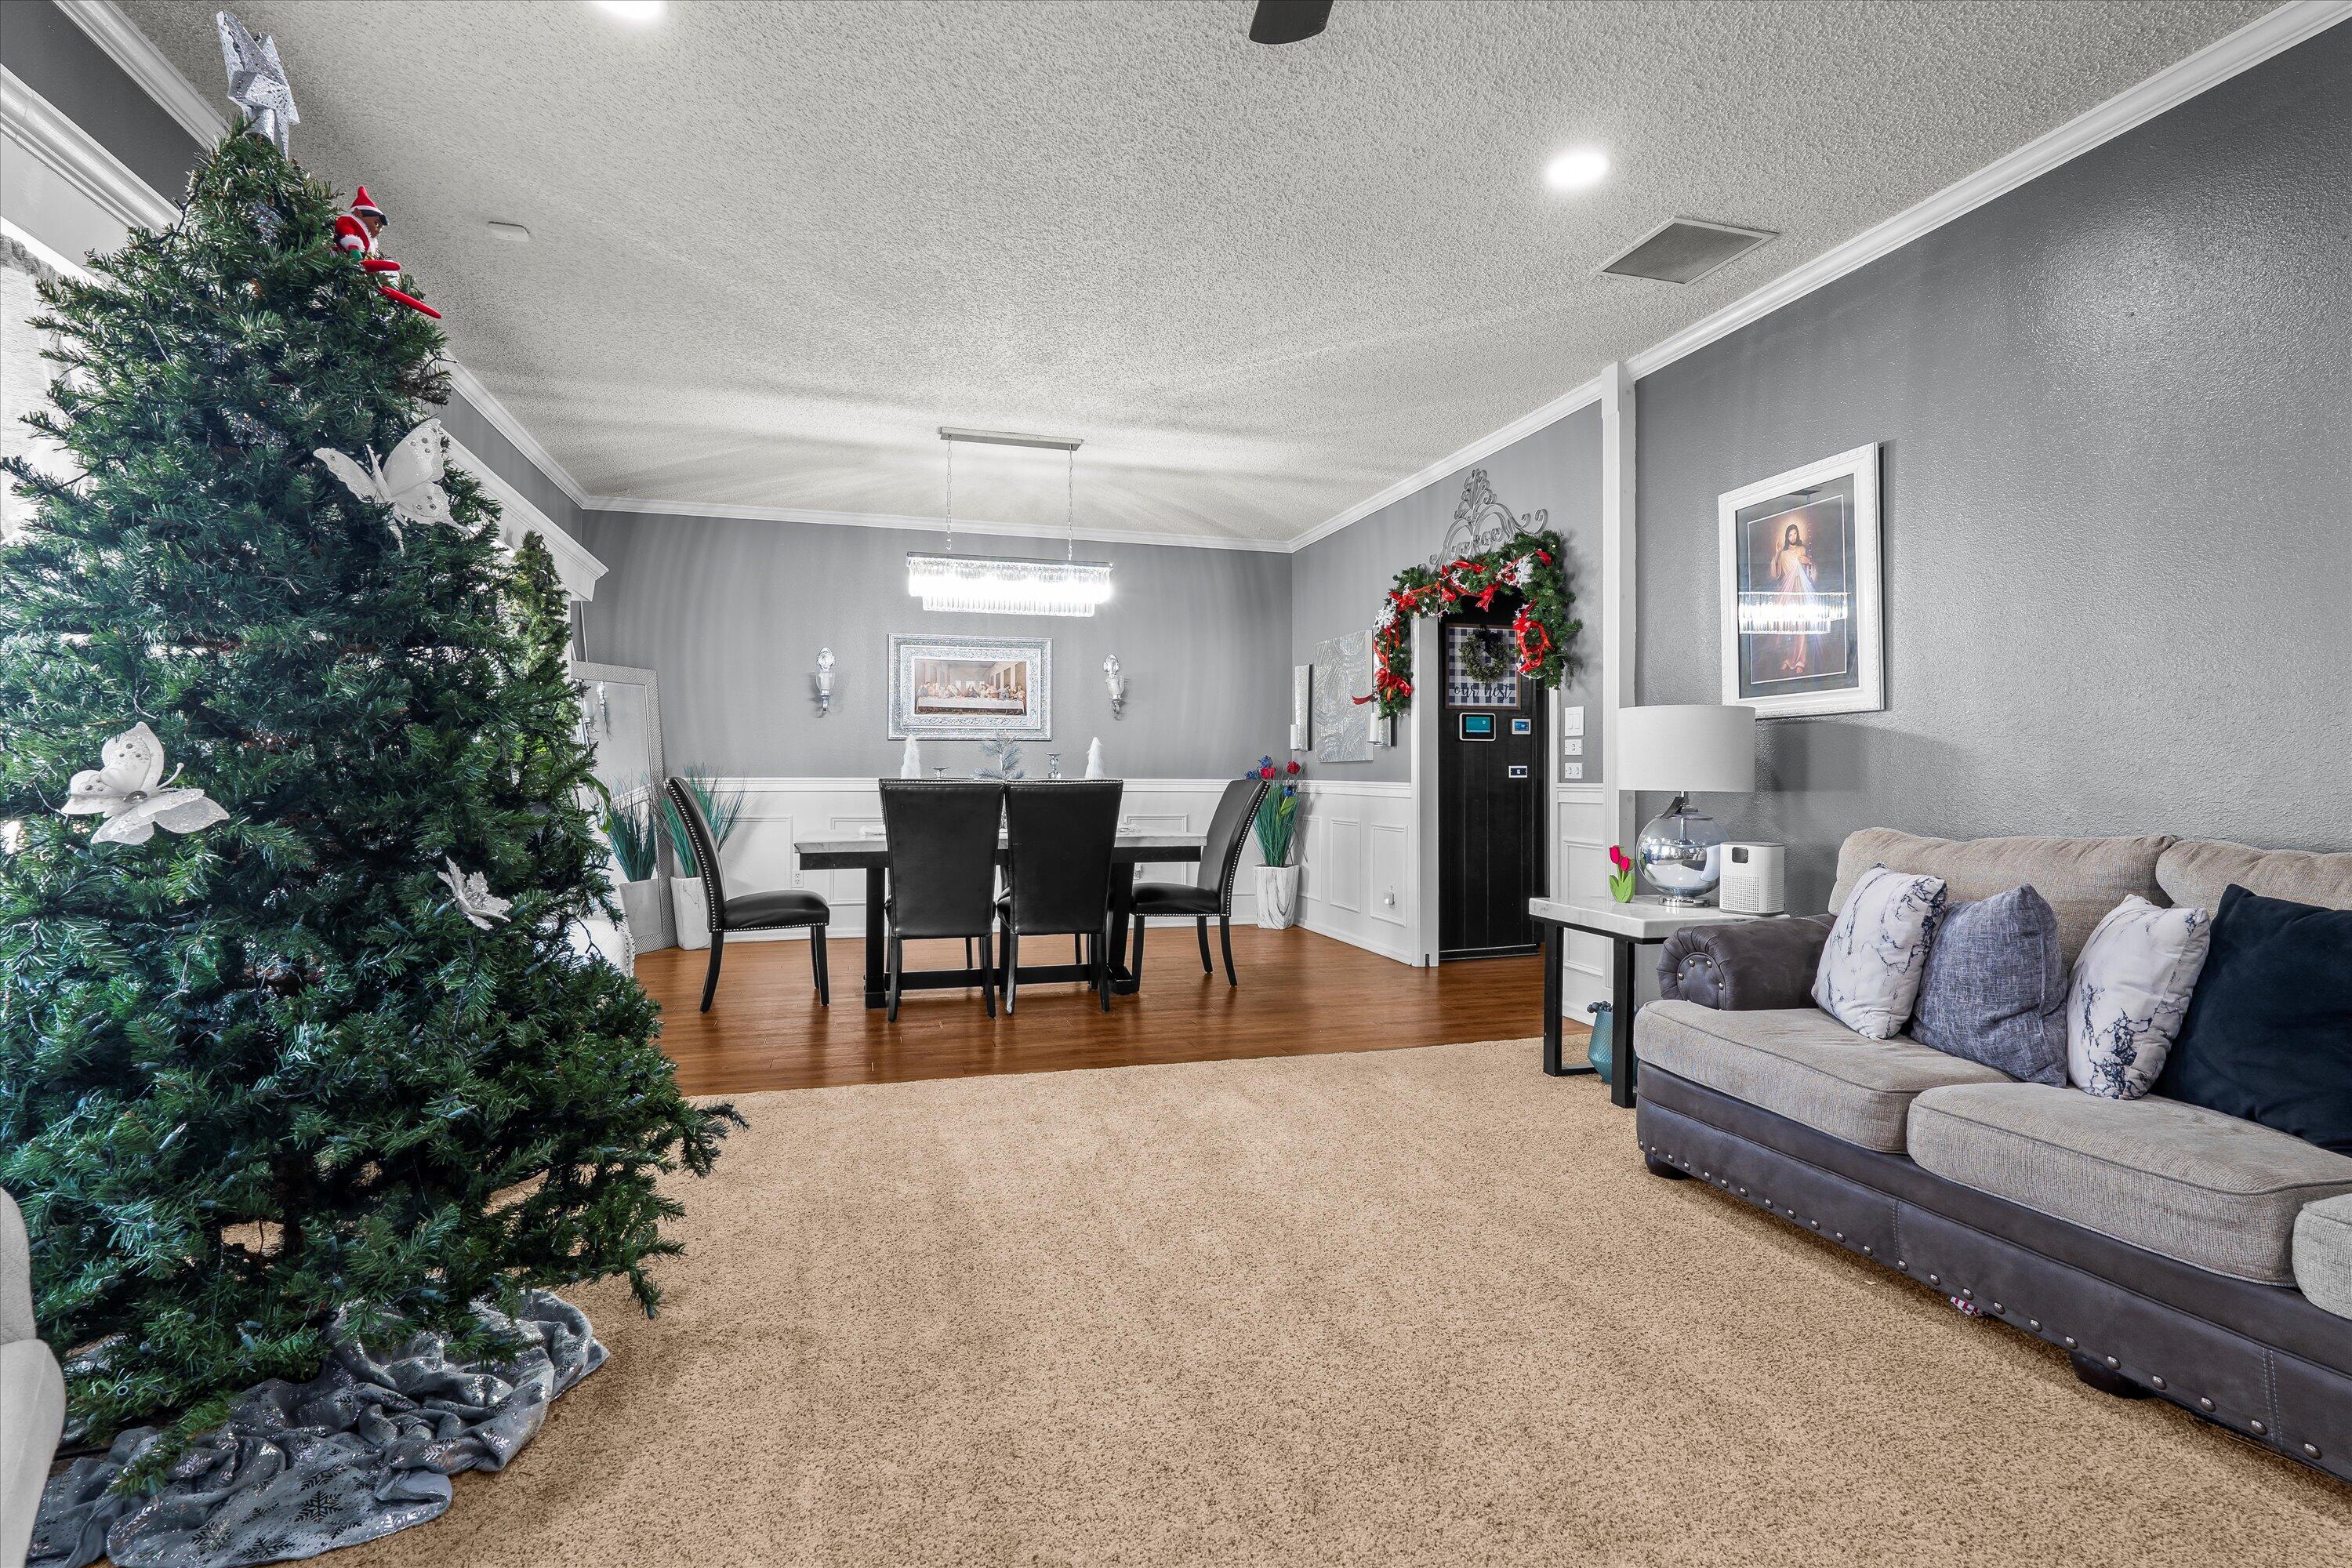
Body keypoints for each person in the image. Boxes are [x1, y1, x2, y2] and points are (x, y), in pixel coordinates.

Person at [1769, 520, 1817, 677]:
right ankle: (1788, 659)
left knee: (1801, 627)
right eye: (1790, 534)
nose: (1793, 537)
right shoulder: (1783, 554)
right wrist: (1776, 553)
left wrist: (1810, 563)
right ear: (1786, 537)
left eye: (1795, 533)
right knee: (1788, 626)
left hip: (1800, 592)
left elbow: (1812, 576)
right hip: (1787, 593)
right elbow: (1775, 575)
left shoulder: (1802, 550)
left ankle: (1800, 662)